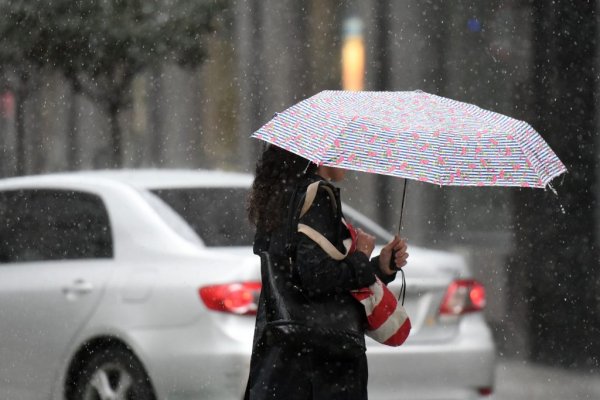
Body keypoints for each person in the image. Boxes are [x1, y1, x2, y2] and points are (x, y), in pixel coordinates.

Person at [244, 144, 409, 400]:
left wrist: (379, 267)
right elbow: (317, 277)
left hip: (283, 354)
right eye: (343, 150)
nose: (349, 158)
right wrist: (361, 257)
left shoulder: (281, 197)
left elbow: (299, 274)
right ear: (320, 154)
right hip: (323, 364)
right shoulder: (316, 196)